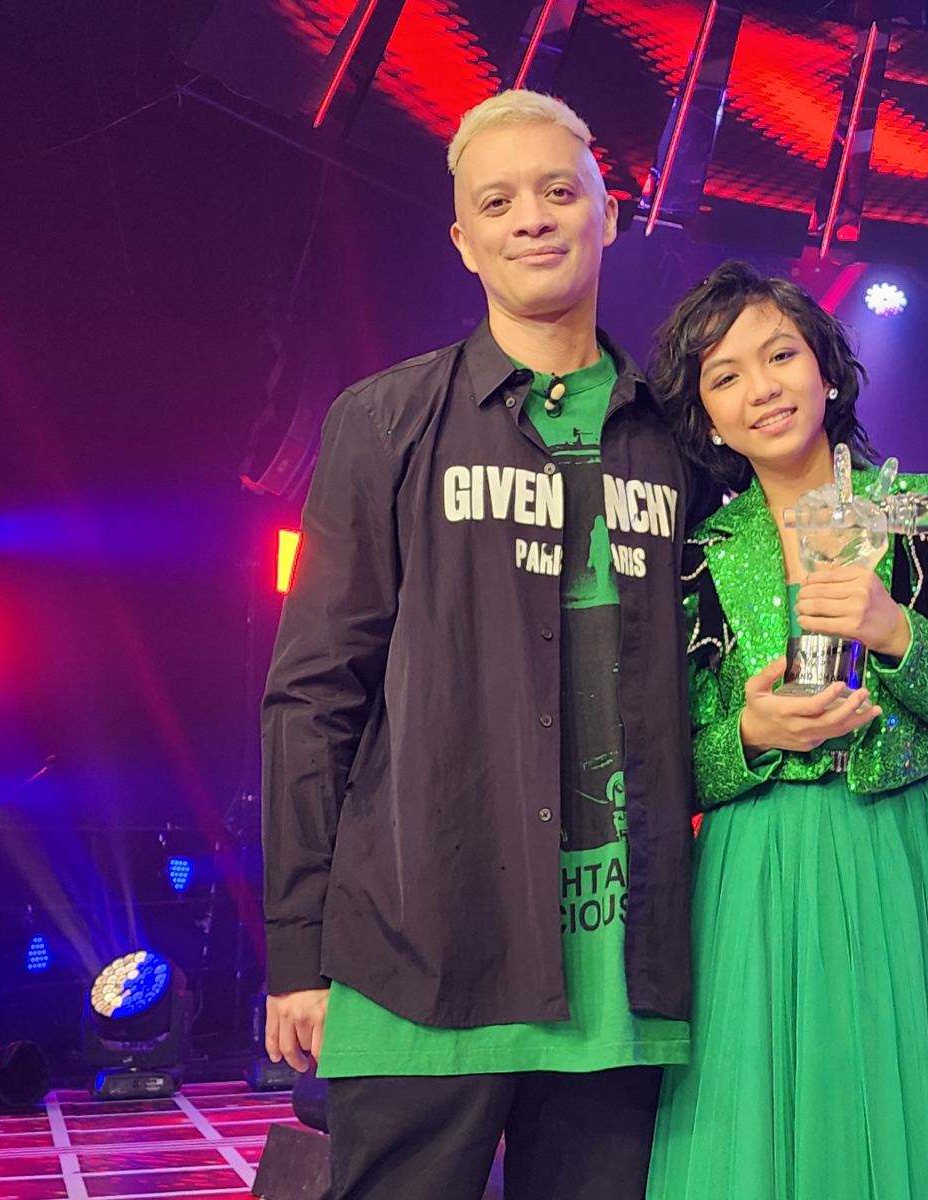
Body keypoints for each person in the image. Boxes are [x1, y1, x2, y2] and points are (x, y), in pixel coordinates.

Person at [260, 90, 695, 1200]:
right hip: (420, 959)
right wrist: (298, 948)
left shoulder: (681, 442)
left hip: (625, 983)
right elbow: (313, 695)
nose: (532, 218)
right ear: (463, 239)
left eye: (558, 191)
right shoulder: (383, 420)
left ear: (609, 213)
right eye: (497, 203)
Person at [644, 260, 928, 1199]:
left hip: (901, 856)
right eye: (726, 376)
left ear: (827, 370)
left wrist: (899, 633)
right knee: (759, 1139)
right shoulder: (689, 560)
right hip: (753, 875)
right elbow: (661, 768)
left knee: (908, 1131)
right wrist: (749, 735)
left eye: (780, 355)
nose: (762, 387)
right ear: (708, 418)